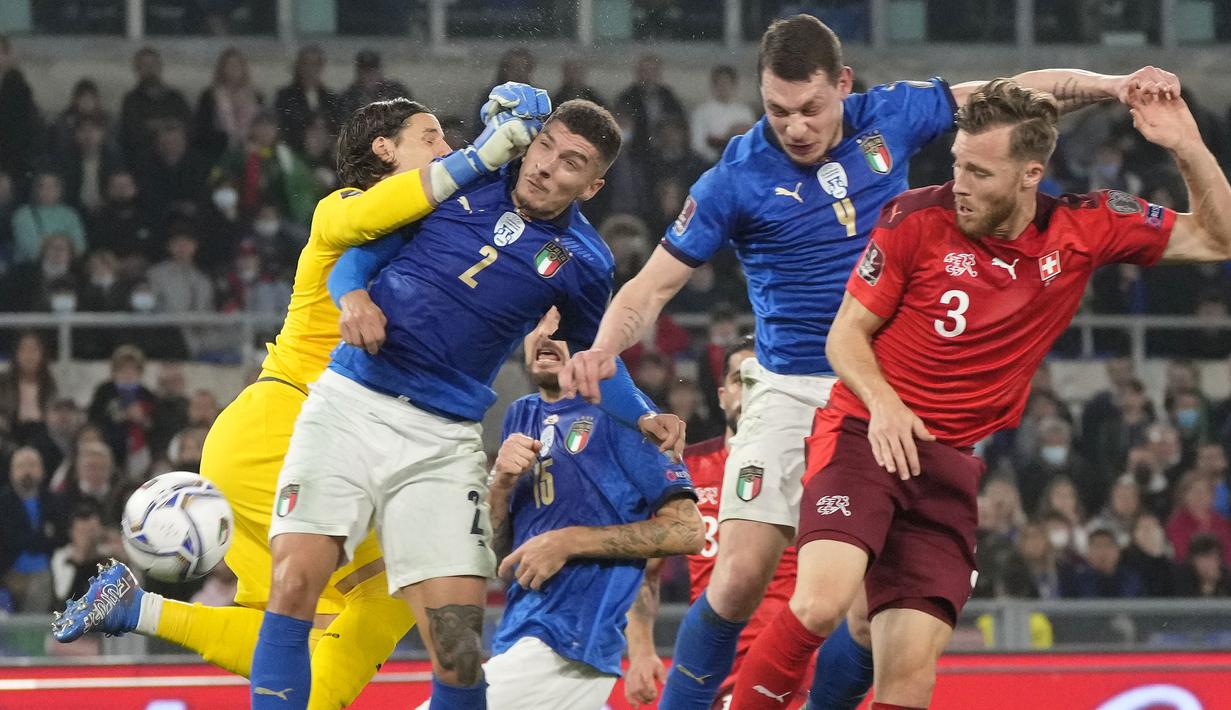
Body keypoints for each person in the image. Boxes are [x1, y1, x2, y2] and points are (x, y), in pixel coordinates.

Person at [560, 14, 1176, 710]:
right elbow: (650, 286)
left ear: (843, 85)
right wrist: (604, 346)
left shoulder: (892, 115)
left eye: (810, 109)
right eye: (776, 111)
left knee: (859, 613)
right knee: (735, 579)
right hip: (791, 384)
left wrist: (1114, 85)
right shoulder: (733, 178)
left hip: (892, 388)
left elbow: (1017, 96)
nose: (793, 127)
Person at [731, 79, 1229, 709]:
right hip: (866, 433)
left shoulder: (1083, 227)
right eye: (957, 163)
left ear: (1030, 175)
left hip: (948, 466)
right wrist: (884, 404)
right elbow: (845, 337)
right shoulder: (915, 217)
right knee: (821, 602)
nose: (959, 182)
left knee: (910, 675)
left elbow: (1219, 237)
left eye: (980, 172)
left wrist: (1186, 145)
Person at [52, 89, 546, 710]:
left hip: (284, 435)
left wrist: (523, 153)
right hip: (289, 427)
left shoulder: (428, 232)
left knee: (293, 621)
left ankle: (140, 608)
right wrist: (485, 151)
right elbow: (384, 210)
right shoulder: (343, 207)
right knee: (392, 594)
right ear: (384, 149)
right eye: (431, 138)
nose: (446, 150)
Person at [260, 97, 683, 710]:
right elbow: (357, 254)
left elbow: (596, 359)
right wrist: (353, 297)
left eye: (571, 163)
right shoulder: (461, 177)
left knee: (458, 645)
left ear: (591, 186)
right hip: (350, 404)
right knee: (294, 581)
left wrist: (643, 414)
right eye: (545, 146)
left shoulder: (587, 264)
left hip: (442, 439)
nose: (545, 167)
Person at [451, 308, 701, 709]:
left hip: (571, 639)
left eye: (560, 325)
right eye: (537, 323)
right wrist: (500, 486)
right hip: (519, 630)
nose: (546, 335)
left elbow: (689, 530)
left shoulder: (627, 417)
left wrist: (570, 541)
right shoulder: (521, 414)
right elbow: (504, 556)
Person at [627, 335, 865, 709]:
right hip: (709, 671)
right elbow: (643, 571)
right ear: (722, 395)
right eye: (743, 379)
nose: (755, 390)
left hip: (799, 676)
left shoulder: (824, 474)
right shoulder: (685, 471)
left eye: (764, 378)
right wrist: (641, 651)